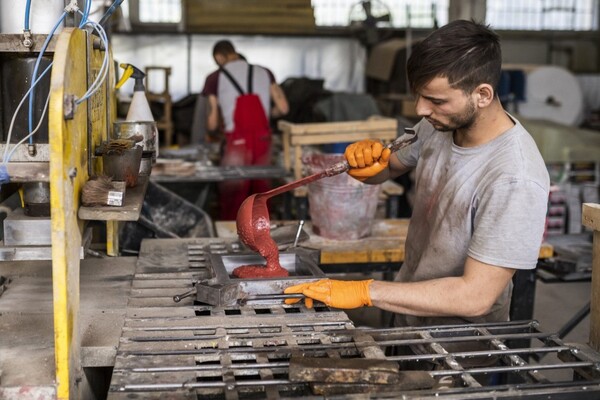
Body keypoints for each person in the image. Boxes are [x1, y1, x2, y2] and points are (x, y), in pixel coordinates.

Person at [285, 20, 549, 350]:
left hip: (456, 346)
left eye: (435, 100)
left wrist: (365, 291)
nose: (421, 110)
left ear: (482, 94)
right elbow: (387, 168)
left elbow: (475, 297)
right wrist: (365, 162)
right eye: (419, 97)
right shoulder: (437, 126)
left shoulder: (514, 177)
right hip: (407, 316)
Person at [201, 40, 289, 220]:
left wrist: (212, 132)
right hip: (263, 141)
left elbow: (212, 121)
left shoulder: (214, 78)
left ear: (219, 57)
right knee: (261, 195)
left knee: (234, 195)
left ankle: (234, 238)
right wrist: (265, 113)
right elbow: (283, 108)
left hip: (236, 143)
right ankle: (261, 237)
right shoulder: (265, 72)